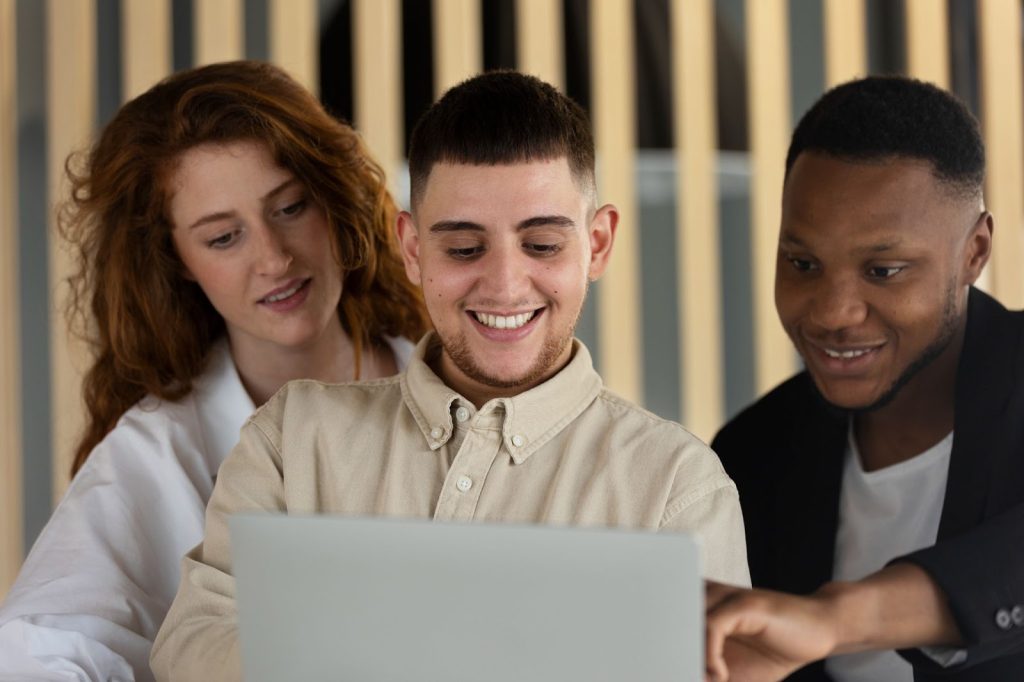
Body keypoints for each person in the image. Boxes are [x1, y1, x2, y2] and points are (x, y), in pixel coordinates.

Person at [149, 70, 750, 680]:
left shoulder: (679, 488)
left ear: (596, 244)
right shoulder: (291, 438)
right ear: (412, 250)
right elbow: (192, 642)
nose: (506, 285)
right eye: (464, 250)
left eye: (542, 244)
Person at [0, 61, 429, 681]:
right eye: (224, 237)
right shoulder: (157, 452)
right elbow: (34, 653)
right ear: (175, 261)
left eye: (290, 207)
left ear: (333, 199)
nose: (274, 259)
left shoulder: (459, 387)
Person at [706, 76, 1024, 681]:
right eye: (802, 264)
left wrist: (833, 618)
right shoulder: (753, 453)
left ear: (974, 253)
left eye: (883, 270)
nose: (831, 313)